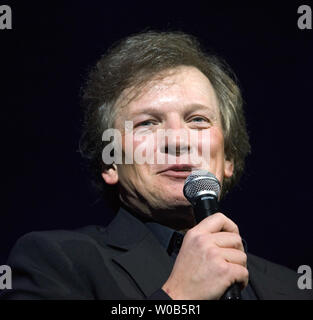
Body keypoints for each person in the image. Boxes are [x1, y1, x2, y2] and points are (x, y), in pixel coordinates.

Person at [1, 31, 312, 300]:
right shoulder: (54, 262)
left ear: (228, 157)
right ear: (111, 162)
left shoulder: (292, 288)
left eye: (198, 120)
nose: (177, 140)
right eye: (147, 123)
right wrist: (179, 297)